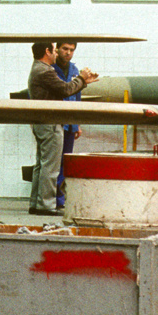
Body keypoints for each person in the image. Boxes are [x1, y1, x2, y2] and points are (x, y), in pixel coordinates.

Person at [28, 41, 96, 215]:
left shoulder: (37, 68)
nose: (58, 53)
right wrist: (82, 78)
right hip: (50, 122)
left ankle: (36, 203)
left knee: (41, 165)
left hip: (42, 122)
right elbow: (65, 90)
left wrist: (82, 81)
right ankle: (46, 206)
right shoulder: (45, 71)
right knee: (51, 167)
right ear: (47, 51)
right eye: (55, 49)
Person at [53, 42, 81, 207]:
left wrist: (77, 123)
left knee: (65, 160)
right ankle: (52, 197)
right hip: (55, 121)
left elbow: (77, 97)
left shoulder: (74, 71)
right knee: (53, 161)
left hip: (69, 123)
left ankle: (60, 198)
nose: (68, 53)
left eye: (71, 50)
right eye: (65, 49)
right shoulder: (50, 69)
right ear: (57, 49)